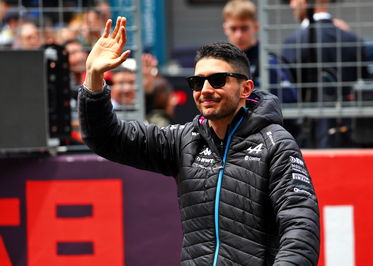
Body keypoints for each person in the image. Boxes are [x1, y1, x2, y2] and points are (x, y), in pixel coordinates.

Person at [78, 17, 320, 265]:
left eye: (217, 80)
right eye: (197, 81)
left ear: (246, 89)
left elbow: (300, 225)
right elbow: (107, 138)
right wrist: (94, 78)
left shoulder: (276, 143)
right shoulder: (183, 140)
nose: (205, 89)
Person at [282, 0, 369, 148]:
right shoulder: (352, 39)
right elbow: (363, 84)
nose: (292, 5)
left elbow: (287, 93)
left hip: (306, 138)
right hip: (348, 134)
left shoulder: (293, 42)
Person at [222, 0, 297, 103]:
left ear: (256, 27)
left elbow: (290, 101)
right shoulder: (220, 64)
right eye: (233, 28)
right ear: (225, 28)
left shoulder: (269, 62)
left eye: (244, 28)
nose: (239, 35)